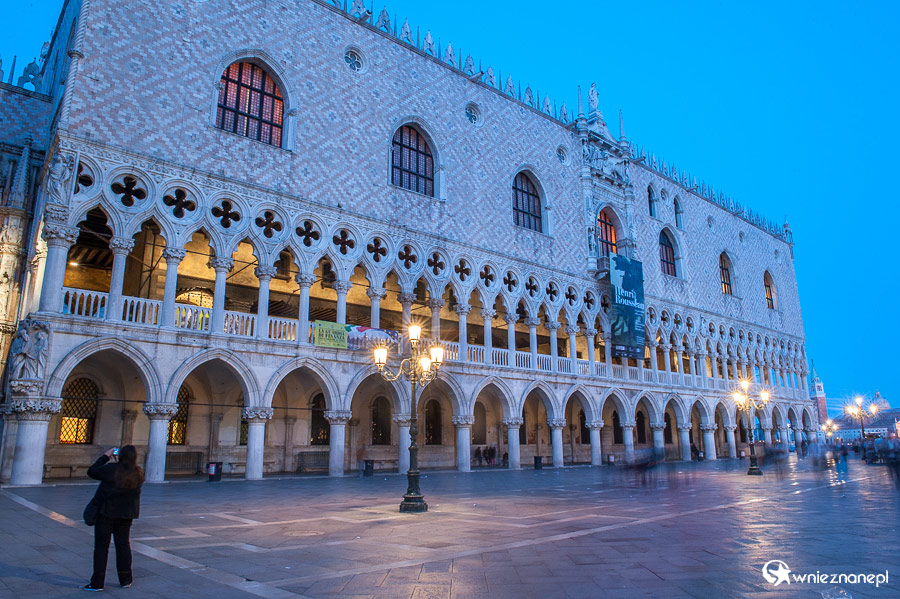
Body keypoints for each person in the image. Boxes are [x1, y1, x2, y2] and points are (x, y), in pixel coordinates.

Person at [84, 446, 143, 591]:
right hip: (126, 515)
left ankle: (97, 582)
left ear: (120, 455)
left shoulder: (111, 469)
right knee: (123, 545)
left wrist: (106, 456)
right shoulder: (138, 472)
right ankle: (125, 579)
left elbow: (91, 471)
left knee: (101, 548)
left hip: (106, 514)